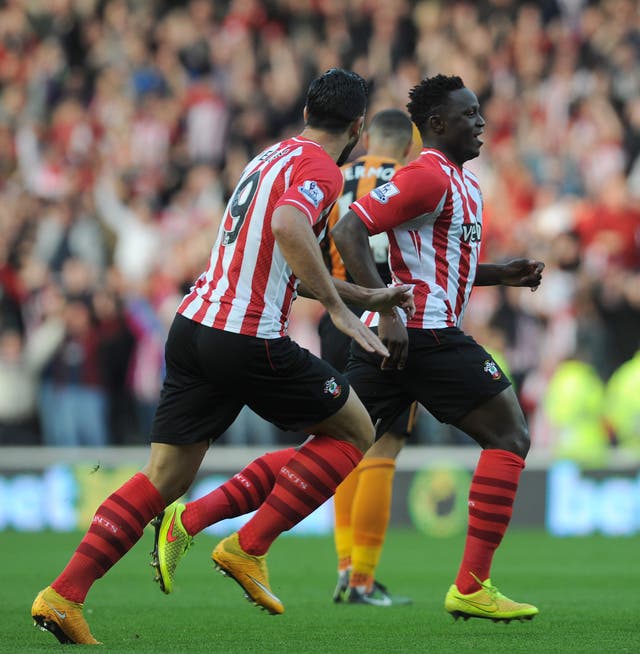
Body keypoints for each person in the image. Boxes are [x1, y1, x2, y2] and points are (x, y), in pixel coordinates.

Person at [31, 68, 415, 645]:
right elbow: (288, 226)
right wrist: (339, 312)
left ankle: (62, 595)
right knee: (355, 430)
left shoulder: (268, 158)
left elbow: (278, 257)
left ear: (308, 110)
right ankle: (248, 545)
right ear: (358, 127)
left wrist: (358, 296)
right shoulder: (319, 170)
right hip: (248, 335)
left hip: (194, 325)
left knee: (164, 476)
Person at [331, 73, 544, 623]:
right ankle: (387, 579)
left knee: (337, 446)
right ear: (421, 132)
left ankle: (229, 533)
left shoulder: (433, 179)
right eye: (470, 114)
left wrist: (501, 275)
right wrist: (386, 307)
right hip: (404, 323)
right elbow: (355, 234)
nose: (481, 123)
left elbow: (439, 266)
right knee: (397, 448)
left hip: (362, 313)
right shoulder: (421, 175)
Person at [319, 108, 416, 606]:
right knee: (383, 448)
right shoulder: (411, 179)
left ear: (368, 137)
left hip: (337, 314)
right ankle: (362, 579)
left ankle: (342, 568)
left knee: (342, 442)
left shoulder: (334, 180)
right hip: (390, 319)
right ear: (407, 145)